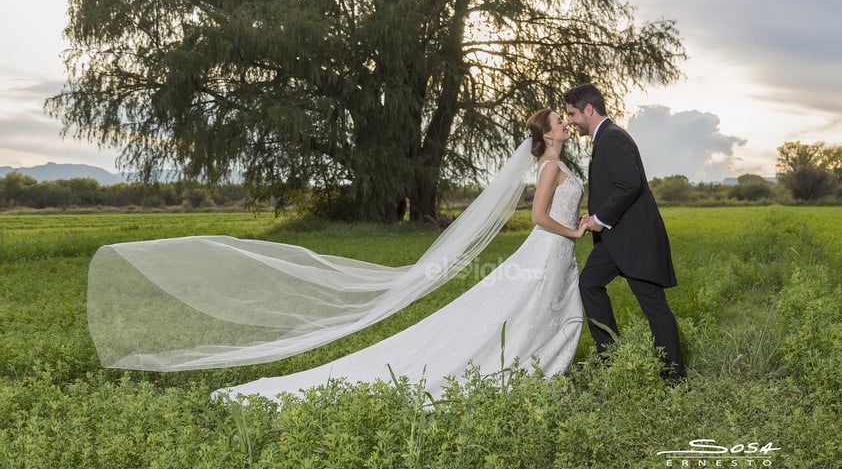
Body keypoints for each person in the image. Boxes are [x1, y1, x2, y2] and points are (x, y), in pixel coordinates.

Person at [208, 109, 589, 402]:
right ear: (546, 134)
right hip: (549, 248)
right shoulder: (550, 167)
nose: (564, 123)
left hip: (558, 251)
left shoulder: (560, 165)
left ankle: (546, 366)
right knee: (531, 308)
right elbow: (539, 217)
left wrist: (579, 220)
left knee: (541, 308)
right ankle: (534, 369)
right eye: (559, 121)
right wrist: (573, 230)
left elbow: (559, 208)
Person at [563, 83, 685, 381]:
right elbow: (616, 187)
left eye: (572, 114)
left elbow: (629, 184)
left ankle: (674, 376)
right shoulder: (604, 138)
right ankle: (611, 356)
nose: (570, 121)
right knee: (589, 283)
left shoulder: (613, 137)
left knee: (654, 306)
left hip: (634, 241)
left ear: (588, 110)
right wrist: (596, 217)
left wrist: (601, 218)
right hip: (616, 240)